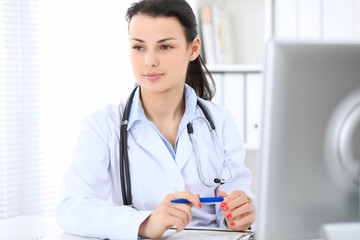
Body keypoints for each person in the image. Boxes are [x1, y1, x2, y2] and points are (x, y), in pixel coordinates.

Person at [56, 0, 256, 239]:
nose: (149, 61)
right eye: (139, 47)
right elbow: (72, 208)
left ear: (193, 49)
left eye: (165, 47)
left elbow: (236, 200)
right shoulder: (102, 125)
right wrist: (145, 223)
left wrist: (239, 214)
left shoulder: (220, 121)